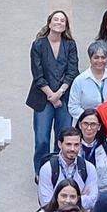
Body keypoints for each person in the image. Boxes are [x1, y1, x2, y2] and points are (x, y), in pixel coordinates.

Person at [27, 10, 80, 174]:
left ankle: (59, 171)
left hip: (64, 98)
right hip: (43, 98)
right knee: (42, 138)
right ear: (49, 23)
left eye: (62, 20)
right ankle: (41, 171)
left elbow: (73, 71)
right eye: (55, 19)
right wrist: (51, 95)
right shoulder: (38, 45)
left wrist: (59, 93)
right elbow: (37, 73)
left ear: (66, 26)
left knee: (62, 137)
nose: (58, 22)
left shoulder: (70, 45)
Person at [36, 127, 98, 210]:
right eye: (68, 144)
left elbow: (93, 201)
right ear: (60, 144)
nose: (72, 149)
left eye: (76, 145)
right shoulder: (48, 169)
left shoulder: (89, 168)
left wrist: (59, 199)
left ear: (80, 145)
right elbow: (46, 203)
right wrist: (79, 198)